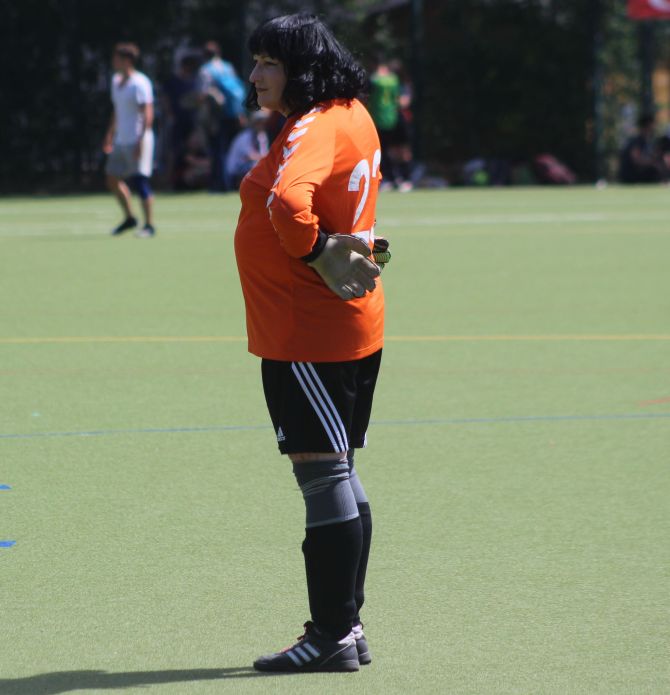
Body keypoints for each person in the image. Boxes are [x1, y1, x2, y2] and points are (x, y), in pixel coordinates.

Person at [234, 13, 387, 673]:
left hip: (308, 332)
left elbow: (287, 203)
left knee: (323, 475)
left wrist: (318, 248)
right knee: (338, 471)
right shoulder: (351, 113)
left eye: (269, 62)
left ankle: (332, 632)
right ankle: (346, 627)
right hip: (340, 323)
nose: (255, 75)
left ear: (303, 68)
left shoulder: (314, 125)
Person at [103, 43, 156, 237]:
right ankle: (130, 218)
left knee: (140, 181)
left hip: (138, 139)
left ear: (127, 60)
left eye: (117, 58)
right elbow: (117, 111)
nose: (113, 61)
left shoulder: (140, 83)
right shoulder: (116, 81)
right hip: (121, 140)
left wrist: (141, 141)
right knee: (112, 178)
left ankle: (149, 225)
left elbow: (147, 113)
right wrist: (110, 134)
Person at [199, 41, 247, 191]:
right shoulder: (228, 67)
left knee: (217, 150)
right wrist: (240, 113)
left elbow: (203, 94)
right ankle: (231, 182)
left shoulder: (206, 70)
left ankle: (220, 184)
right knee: (230, 149)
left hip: (216, 115)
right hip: (233, 113)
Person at [368, 60, 413, 191]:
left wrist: (393, 102)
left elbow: (404, 102)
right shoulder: (380, 83)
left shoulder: (401, 84)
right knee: (387, 150)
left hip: (400, 120)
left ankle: (406, 178)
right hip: (386, 120)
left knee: (402, 150)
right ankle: (391, 178)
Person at [224, 110, 271, 189]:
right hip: (235, 172)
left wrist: (263, 140)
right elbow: (250, 156)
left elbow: (263, 152)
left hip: (245, 168)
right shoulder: (246, 136)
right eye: (259, 122)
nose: (262, 125)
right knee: (257, 164)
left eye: (263, 122)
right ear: (254, 123)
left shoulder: (259, 136)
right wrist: (268, 157)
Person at [619, 113, 664, 184]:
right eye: (652, 125)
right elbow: (636, 160)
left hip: (637, 173)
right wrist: (652, 163)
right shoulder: (637, 141)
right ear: (647, 125)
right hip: (631, 175)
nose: (654, 127)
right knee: (654, 170)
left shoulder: (647, 141)